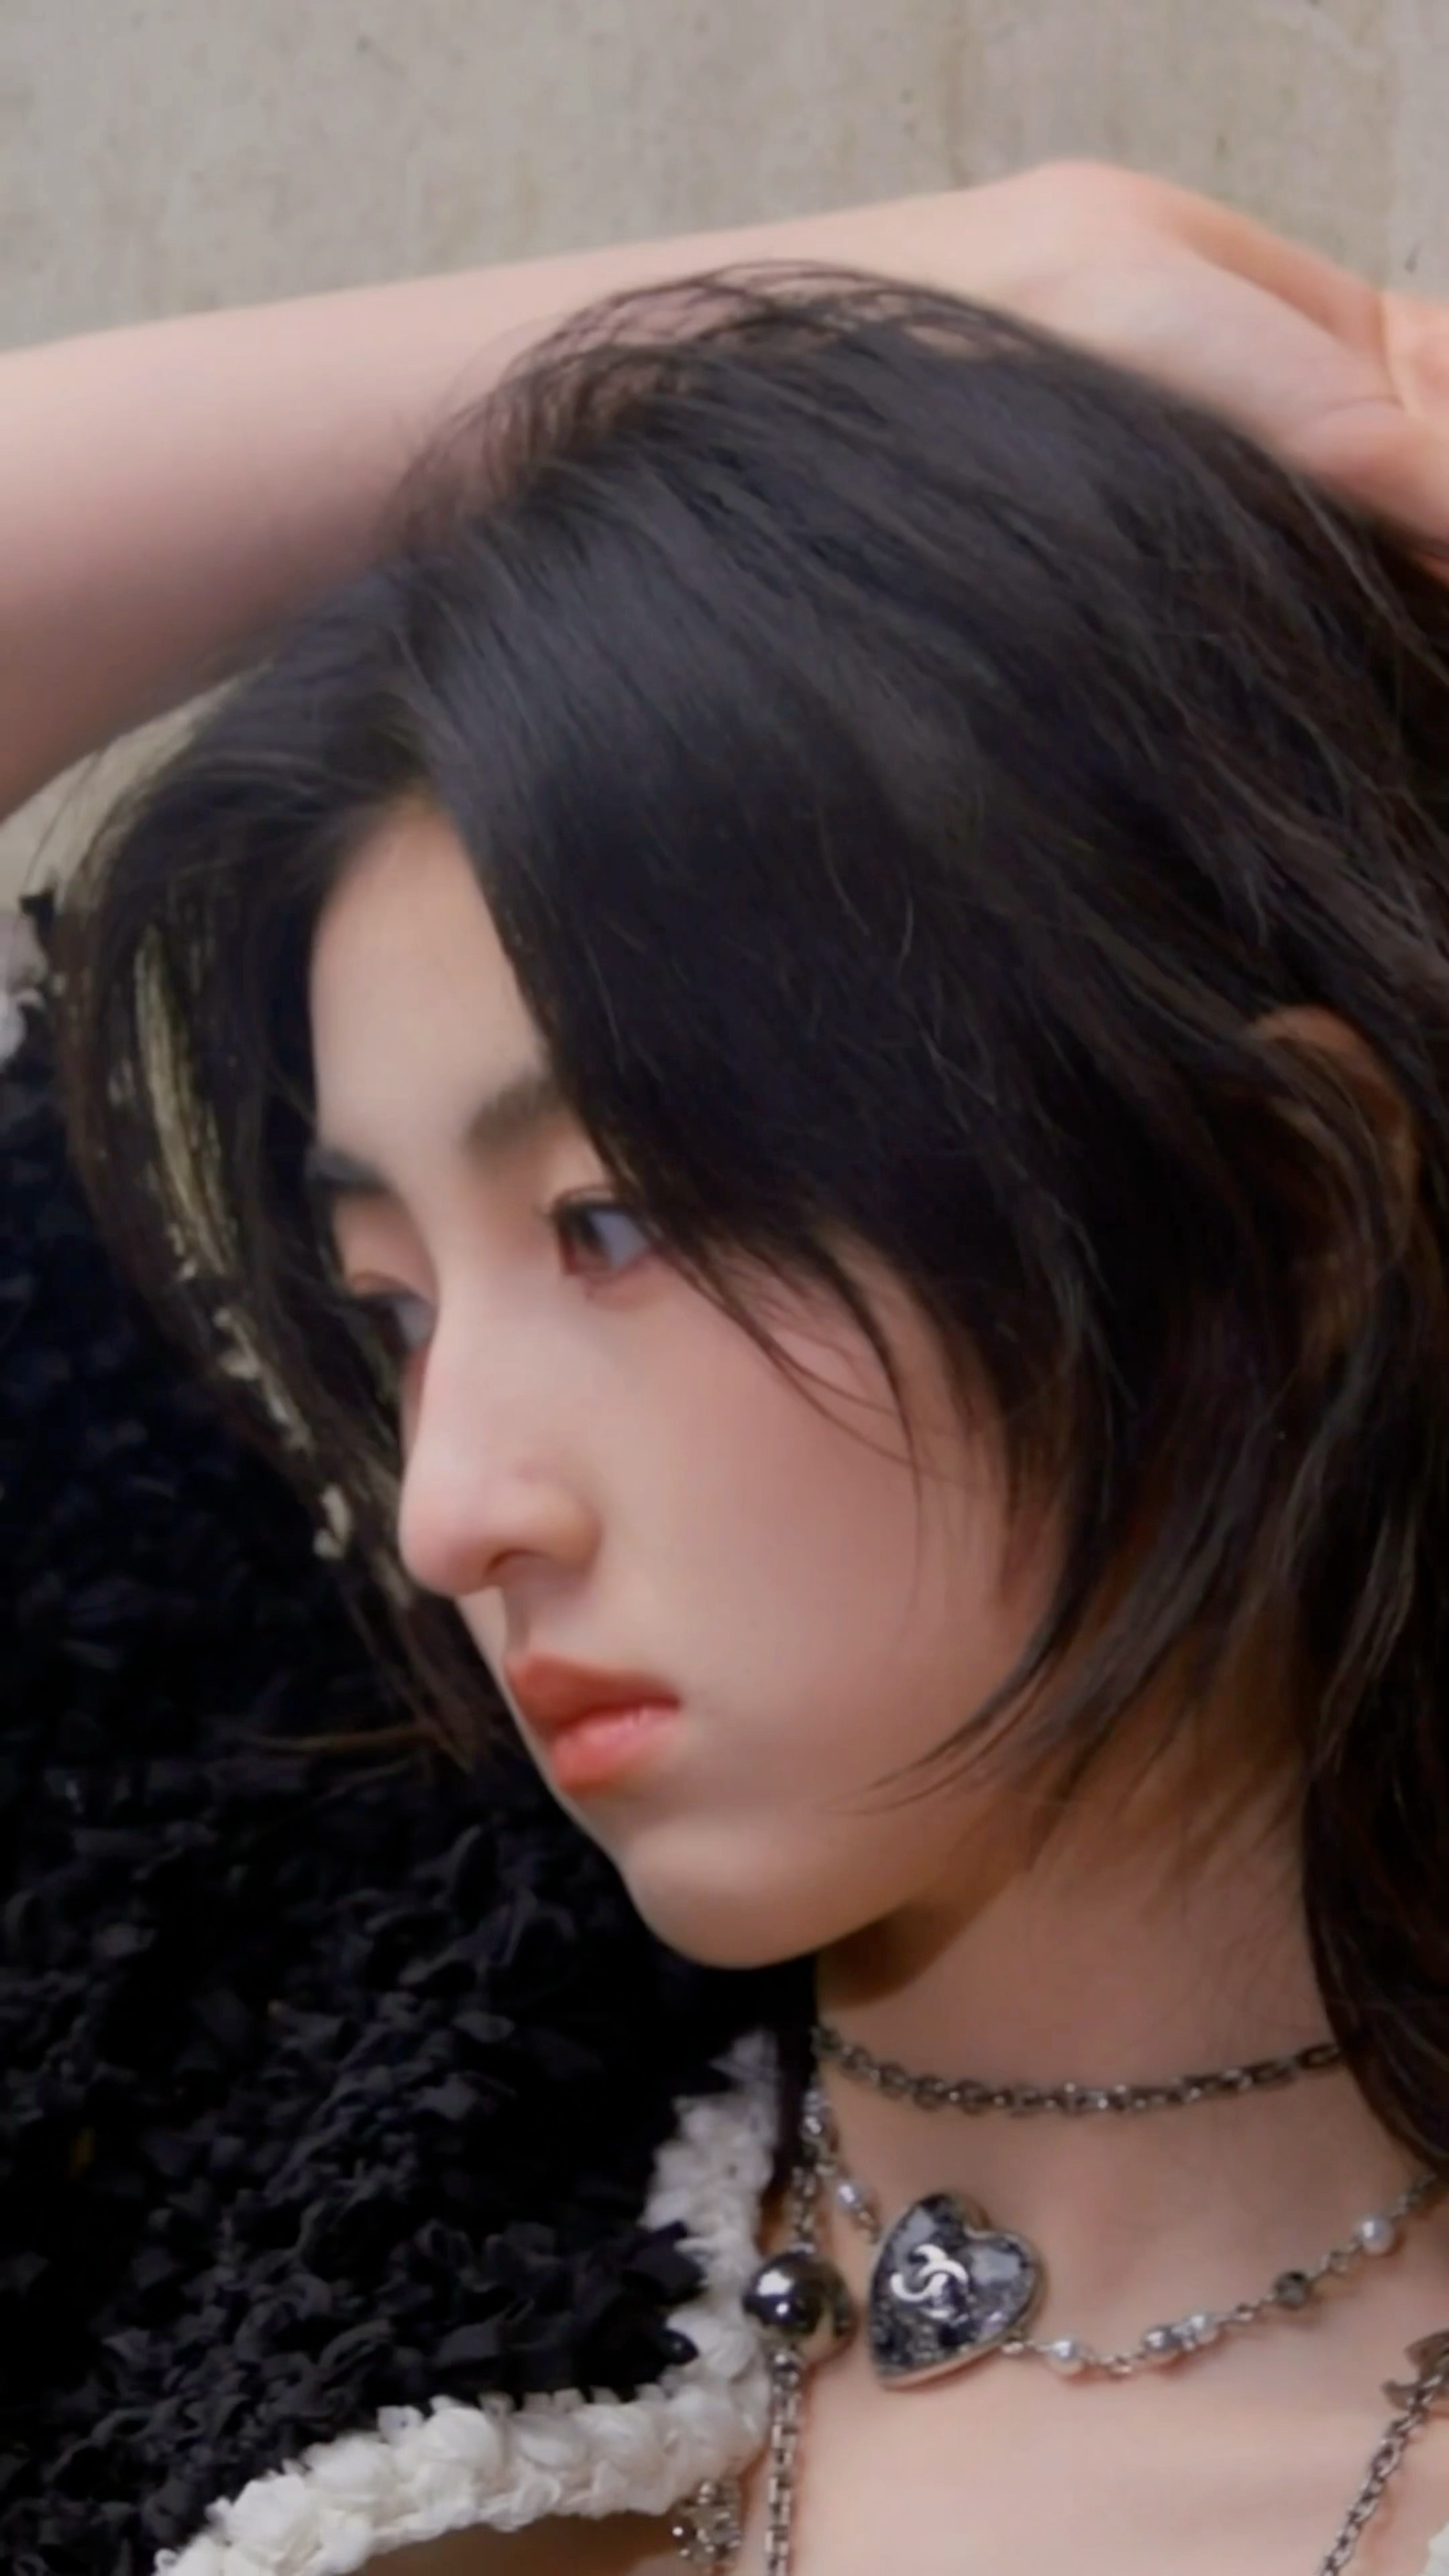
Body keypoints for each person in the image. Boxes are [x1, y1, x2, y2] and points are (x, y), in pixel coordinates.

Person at [6, 162, 1449, 2576]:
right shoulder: (264, 2081)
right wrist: (947, 284)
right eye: (390, 1308)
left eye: (613, 1224)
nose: (453, 1511)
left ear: (1286, 1218)